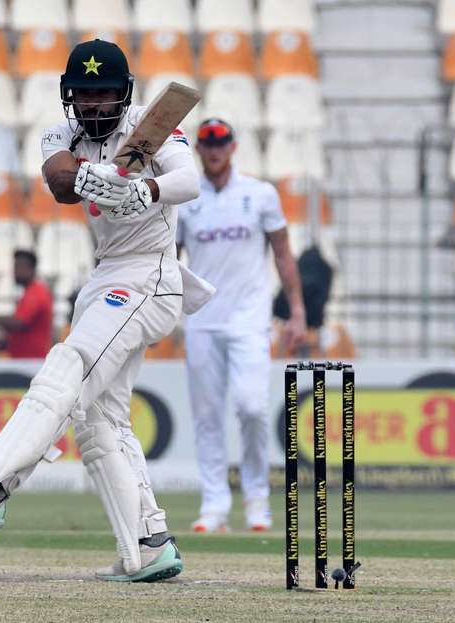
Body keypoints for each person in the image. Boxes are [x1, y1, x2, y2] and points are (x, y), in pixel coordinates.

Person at [0, 39, 214, 582]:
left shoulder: (151, 128)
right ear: (69, 97)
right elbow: (59, 182)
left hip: (150, 276)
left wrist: (146, 190)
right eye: (84, 95)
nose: (94, 106)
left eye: (104, 95)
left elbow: (189, 181)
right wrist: (92, 180)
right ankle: (148, 549)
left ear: (123, 96)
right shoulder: (62, 135)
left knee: (68, 361)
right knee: (100, 420)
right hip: (104, 279)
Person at [176, 118, 307, 534]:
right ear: (198, 150)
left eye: (221, 143)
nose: (214, 151)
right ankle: (214, 504)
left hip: (250, 320)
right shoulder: (186, 199)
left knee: (251, 407)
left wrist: (298, 312)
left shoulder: (260, 194)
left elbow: (284, 255)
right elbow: (166, 257)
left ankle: (256, 501)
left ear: (233, 147)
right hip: (202, 321)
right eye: (207, 144)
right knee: (207, 415)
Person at [0, 249, 53, 359]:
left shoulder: (36, 293)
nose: (14, 271)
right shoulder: (30, 292)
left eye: (18, 267)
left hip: (31, 361)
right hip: (25, 361)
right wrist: (7, 343)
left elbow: (19, 323)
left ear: (31, 269)